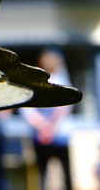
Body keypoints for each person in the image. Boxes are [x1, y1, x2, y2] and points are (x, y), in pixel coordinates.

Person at [24, 50, 74, 190]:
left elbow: (28, 110)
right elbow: (64, 109)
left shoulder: (33, 82)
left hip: (44, 134)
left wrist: (43, 126)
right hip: (59, 133)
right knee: (65, 172)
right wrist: (49, 126)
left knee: (43, 172)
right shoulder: (62, 82)